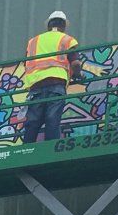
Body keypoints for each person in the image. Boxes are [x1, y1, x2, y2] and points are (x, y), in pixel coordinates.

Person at [19, 9, 79, 145]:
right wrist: (79, 75)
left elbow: (26, 62)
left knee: (33, 121)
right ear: (63, 26)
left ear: (48, 25)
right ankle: (51, 146)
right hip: (56, 83)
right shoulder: (67, 39)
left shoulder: (33, 41)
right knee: (52, 118)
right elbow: (75, 63)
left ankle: (26, 149)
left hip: (36, 85)